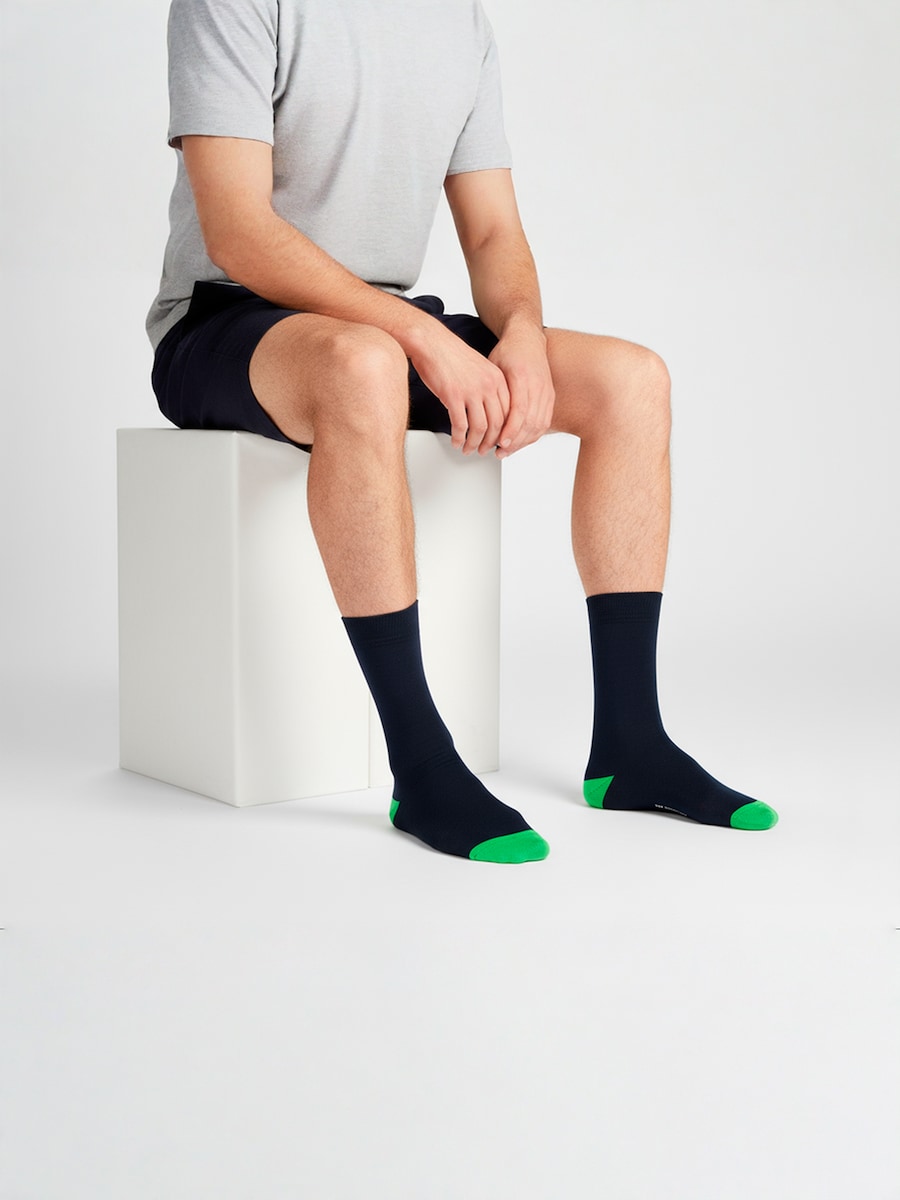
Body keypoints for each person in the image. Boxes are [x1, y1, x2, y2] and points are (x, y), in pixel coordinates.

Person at [146, 0, 778, 863]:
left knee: (631, 380)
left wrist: (521, 336)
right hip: (224, 323)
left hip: (381, 321)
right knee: (364, 363)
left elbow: (492, 230)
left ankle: (632, 746)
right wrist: (422, 338)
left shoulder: (458, 22)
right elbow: (240, 232)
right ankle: (421, 765)